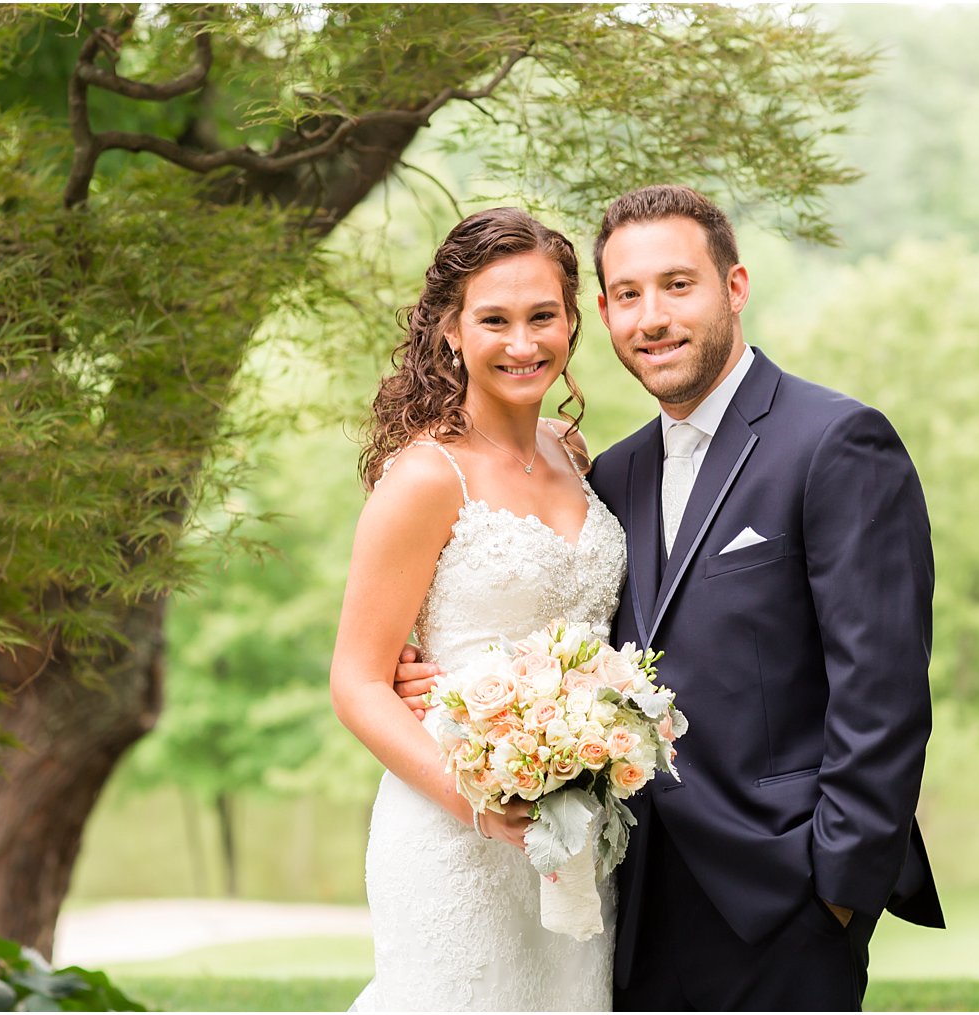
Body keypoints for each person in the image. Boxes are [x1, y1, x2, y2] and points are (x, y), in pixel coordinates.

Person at [397, 184, 944, 1011]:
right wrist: (451, 693)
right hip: (628, 899)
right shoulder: (610, 474)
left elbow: (884, 691)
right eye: (627, 295)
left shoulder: (835, 443)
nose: (652, 316)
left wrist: (837, 890)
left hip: (785, 899)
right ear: (606, 317)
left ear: (735, 286)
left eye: (677, 285)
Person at [330, 207, 625, 1011]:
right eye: (494, 319)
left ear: (571, 321)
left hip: (576, 832)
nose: (523, 342)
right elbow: (357, 683)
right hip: (452, 834)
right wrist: (482, 804)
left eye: (543, 316)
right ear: (450, 332)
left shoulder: (571, 451)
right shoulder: (428, 475)